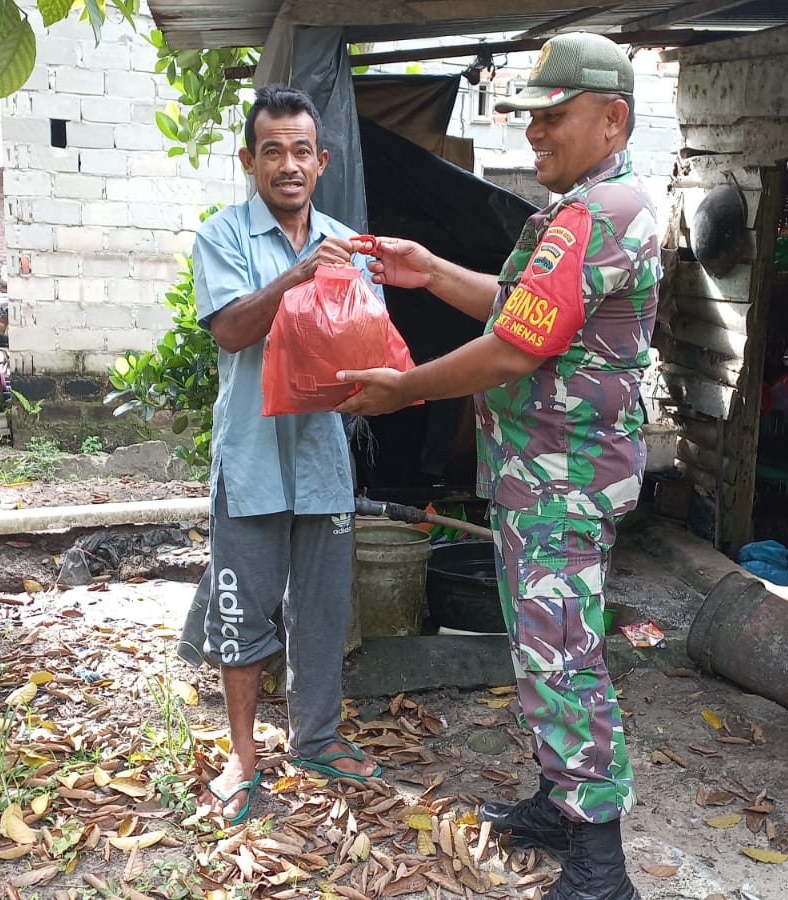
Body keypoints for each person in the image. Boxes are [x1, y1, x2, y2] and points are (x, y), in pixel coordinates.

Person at [335, 32, 660, 900]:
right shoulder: (580, 211)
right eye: (532, 118)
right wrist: (433, 270)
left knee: (564, 657)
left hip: (566, 478)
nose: (535, 135)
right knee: (540, 645)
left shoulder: (604, 212)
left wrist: (403, 389)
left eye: (554, 117)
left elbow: (514, 348)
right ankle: (563, 803)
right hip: (544, 473)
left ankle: (599, 865)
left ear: (611, 118)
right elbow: (525, 306)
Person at [188, 84, 381, 826]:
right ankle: (243, 758)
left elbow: (369, 344)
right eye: (273, 150)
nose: (289, 164)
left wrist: (376, 383)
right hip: (253, 461)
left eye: (302, 150)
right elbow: (234, 331)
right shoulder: (223, 236)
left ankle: (317, 739)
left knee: (324, 612)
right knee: (242, 615)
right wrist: (301, 275)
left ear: (322, 160)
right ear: (250, 160)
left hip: (324, 461)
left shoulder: (344, 241)